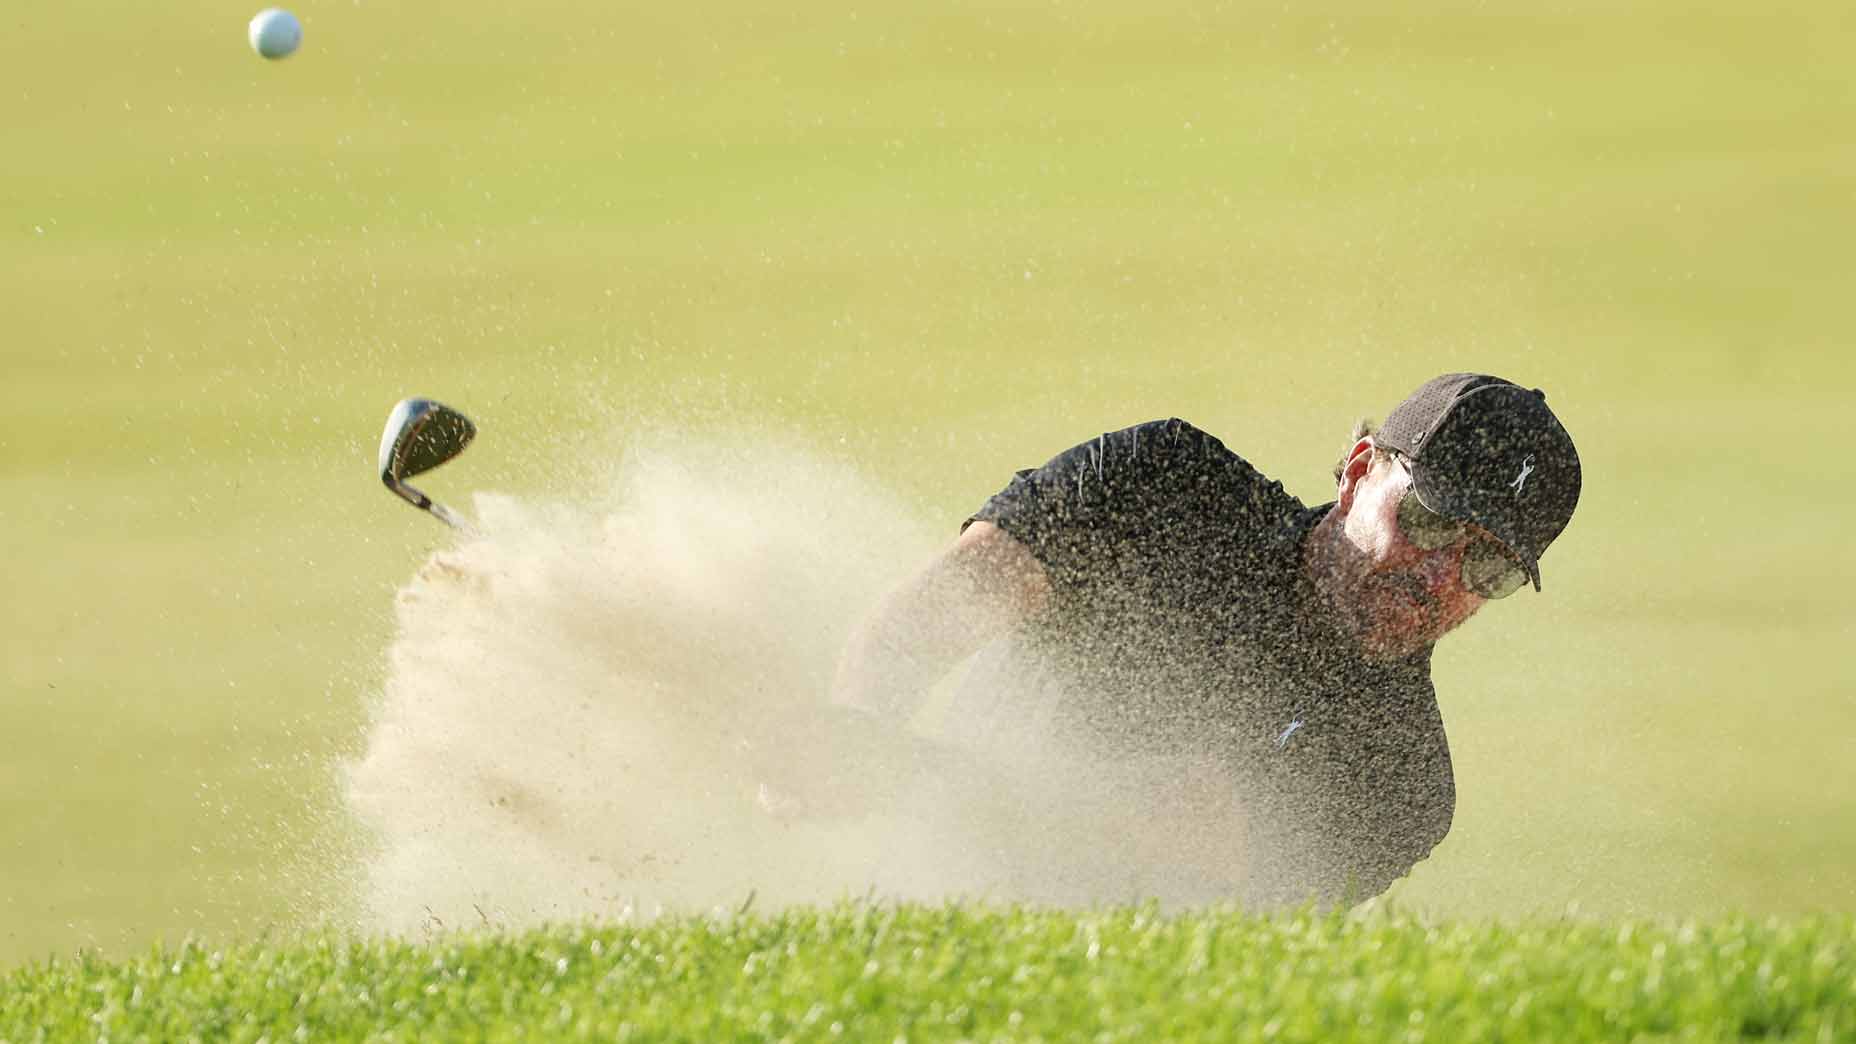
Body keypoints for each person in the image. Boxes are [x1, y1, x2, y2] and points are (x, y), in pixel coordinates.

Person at [825, 373, 1583, 907]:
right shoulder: (1163, 483)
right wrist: (851, 729)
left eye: (1487, 565)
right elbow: (937, 611)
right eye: (1428, 519)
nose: (1438, 575)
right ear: (1358, 472)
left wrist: (905, 776)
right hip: (899, 873)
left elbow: (1141, 829)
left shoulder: (1405, 781)